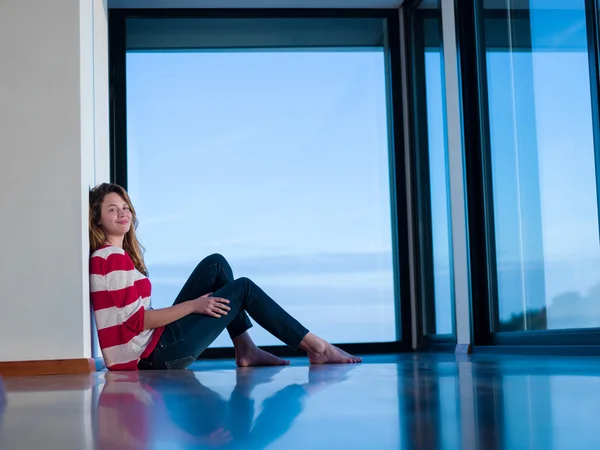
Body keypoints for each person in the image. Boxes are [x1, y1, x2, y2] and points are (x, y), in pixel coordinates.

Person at [89, 183, 362, 371]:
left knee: (215, 265)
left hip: (149, 349)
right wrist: (194, 305)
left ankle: (245, 348)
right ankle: (317, 347)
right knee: (243, 288)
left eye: (125, 206)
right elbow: (137, 322)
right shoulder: (110, 258)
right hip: (149, 357)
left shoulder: (117, 257)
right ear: (98, 219)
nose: (122, 212)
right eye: (112, 208)